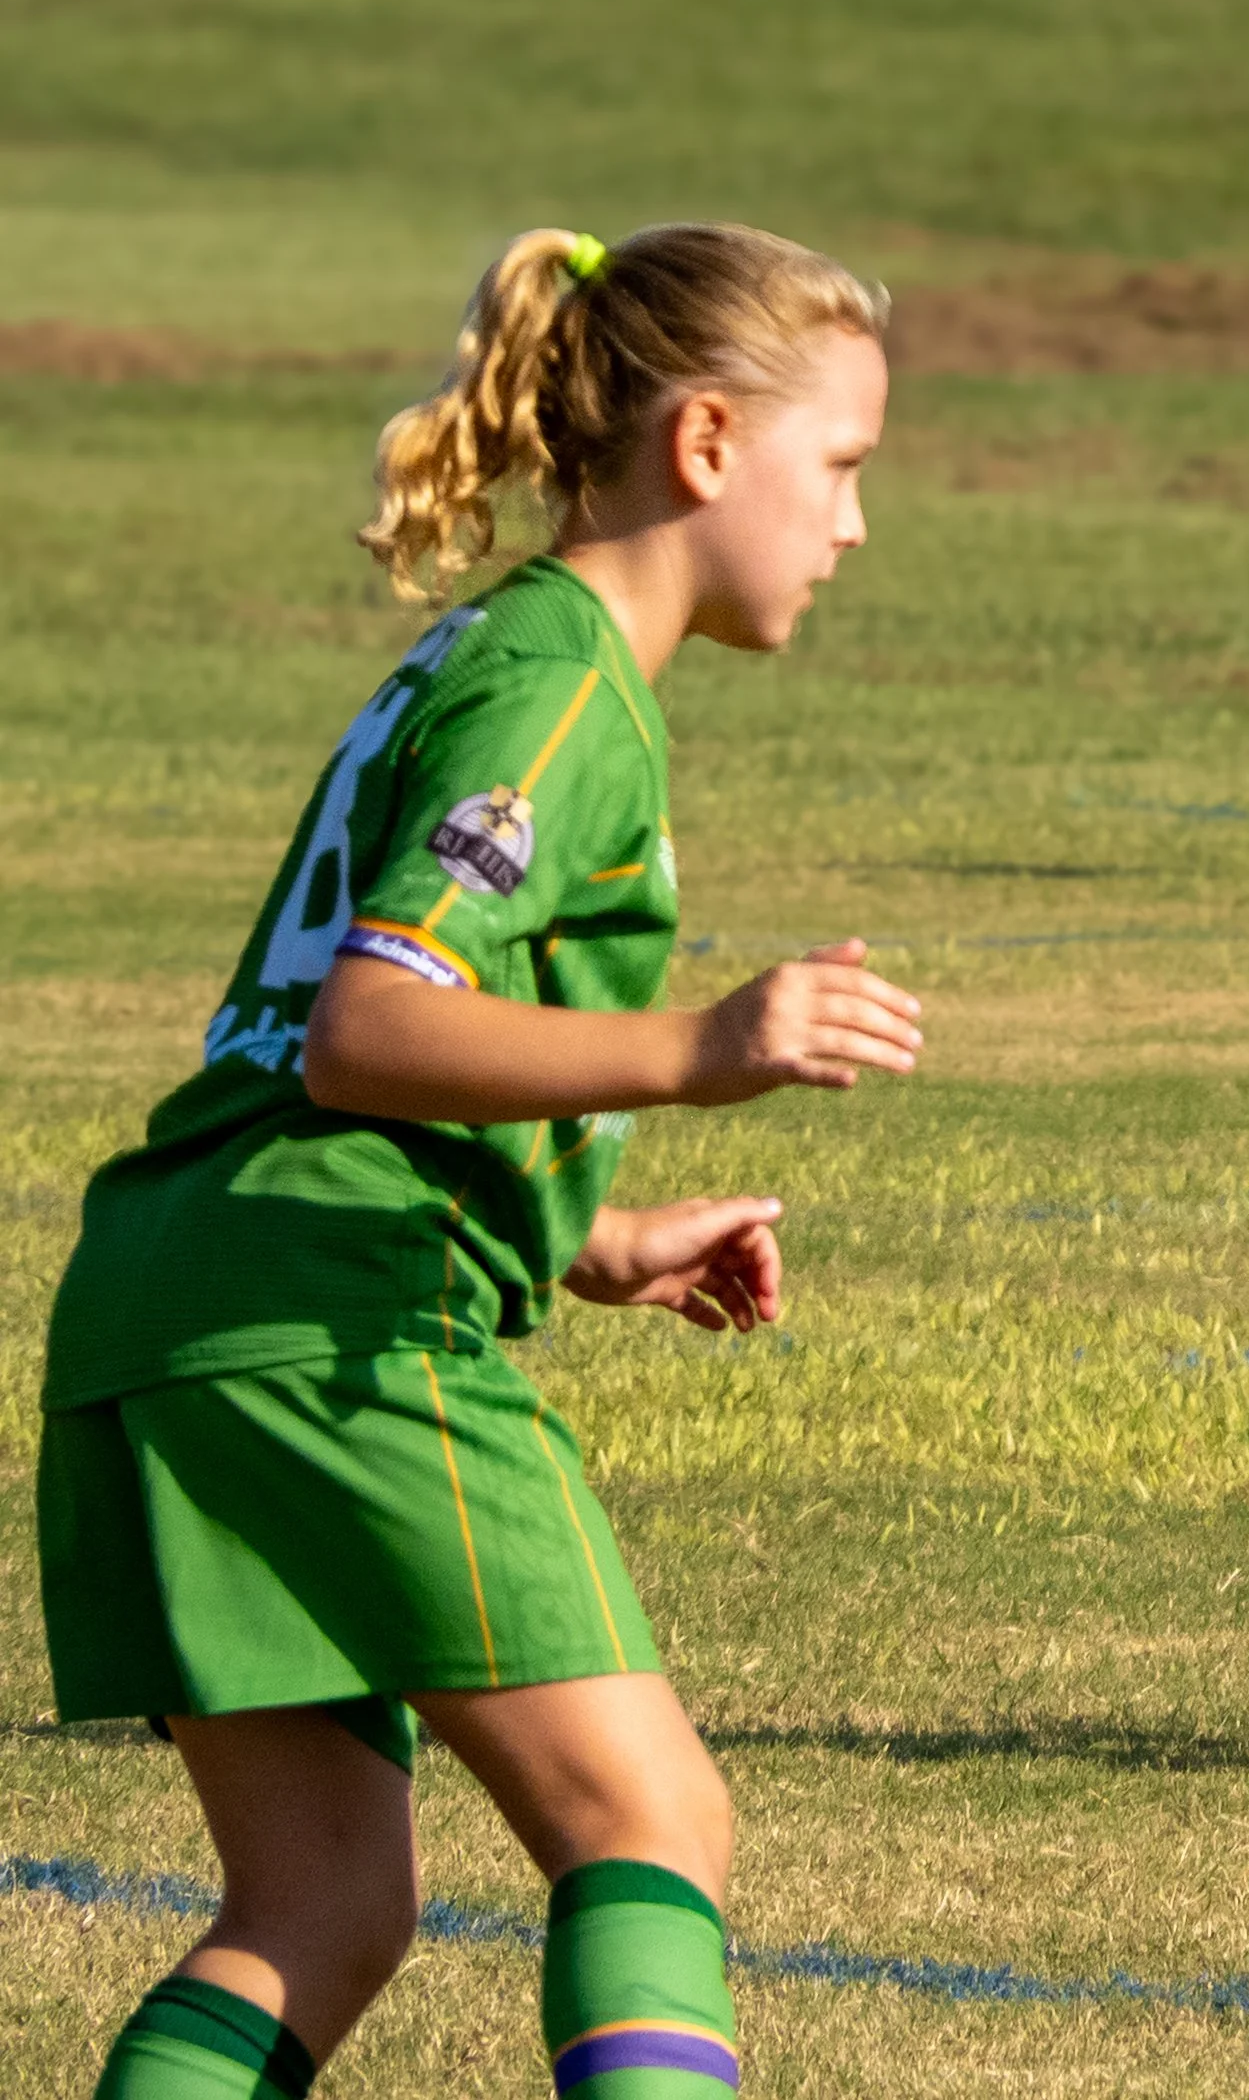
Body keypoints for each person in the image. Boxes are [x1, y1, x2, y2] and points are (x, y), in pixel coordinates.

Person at [40, 221, 927, 2095]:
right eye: (839, 467)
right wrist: (703, 1045)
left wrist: (586, 1232)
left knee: (321, 1903)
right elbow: (372, 1024)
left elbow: (333, 1044)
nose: (852, 525)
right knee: (653, 1821)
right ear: (706, 447)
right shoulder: (568, 687)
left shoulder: (499, 649)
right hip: (332, 1322)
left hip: (183, 1288)